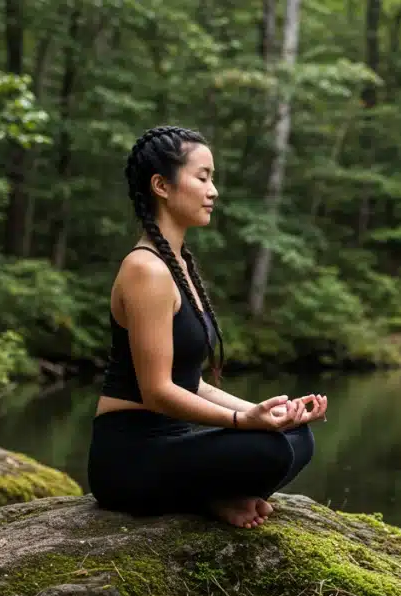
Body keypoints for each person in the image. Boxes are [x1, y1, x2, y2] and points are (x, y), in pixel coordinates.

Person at [87, 125, 325, 529]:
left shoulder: (178, 265)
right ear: (161, 185)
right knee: (271, 452)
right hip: (130, 457)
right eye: (202, 177)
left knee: (296, 437)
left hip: (174, 444)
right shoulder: (145, 269)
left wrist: (264, 412)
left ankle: (213, 496)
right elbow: (157, 391)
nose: (213, 191)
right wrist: (242, 423)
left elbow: (191, 382)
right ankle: (210, 496)